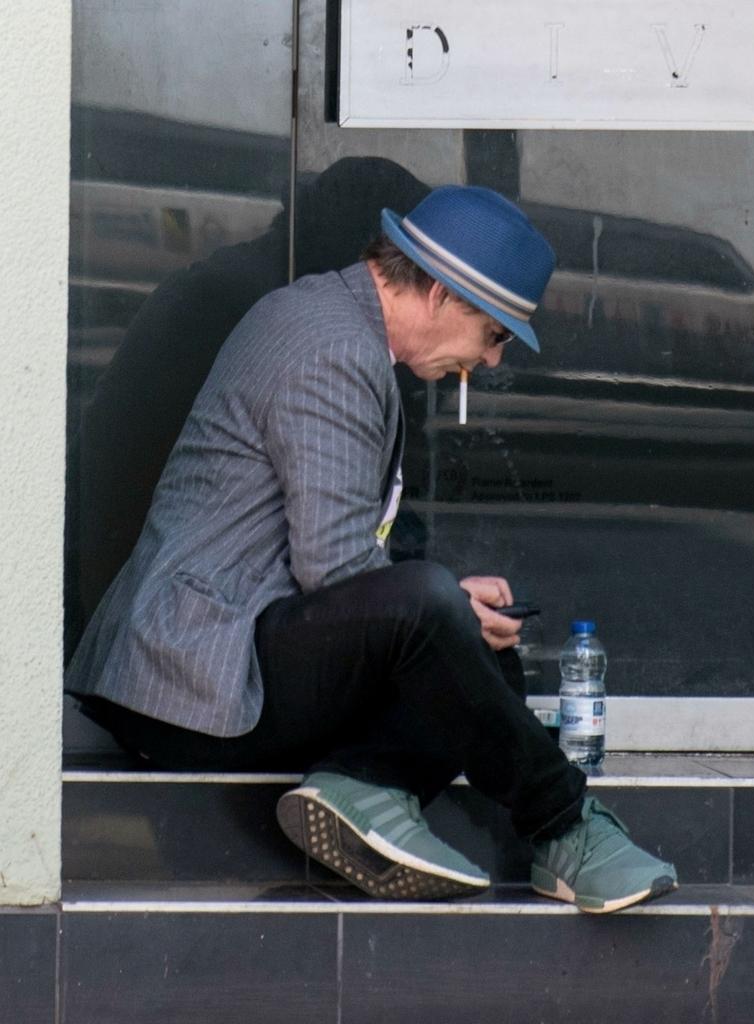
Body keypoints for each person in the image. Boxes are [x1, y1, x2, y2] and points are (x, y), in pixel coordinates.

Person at [66, 184, 677, 913]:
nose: (488, 361)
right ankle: (564, 825)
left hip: (205, 664)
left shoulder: (329, 322)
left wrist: (450, 610)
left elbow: (347, 569)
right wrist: (441, 605)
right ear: (443, 294)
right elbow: (334, 570)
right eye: (495, 333)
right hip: (192, 685)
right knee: (431, 609)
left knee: (468, 640)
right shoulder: (335, 349)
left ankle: (367, 791)